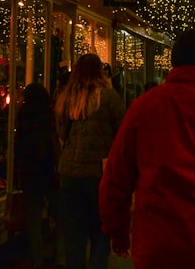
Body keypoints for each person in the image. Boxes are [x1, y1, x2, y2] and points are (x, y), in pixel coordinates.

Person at [99, 29, 195, 269]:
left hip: (154, 244)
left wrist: (118, 231)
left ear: (173, 61)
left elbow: (116, 177)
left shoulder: (143, 106)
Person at [55, 54, 124, 269]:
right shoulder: (109, 97)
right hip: (98, 174)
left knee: (74, 233)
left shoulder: (66, 98)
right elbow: (122, 132)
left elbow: (61, 133)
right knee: (100, 230)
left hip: (69, 173)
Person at [15, 83, 64, 269]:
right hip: (47, 170)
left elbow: (19, 143)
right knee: (60, 212)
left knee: (33, 217)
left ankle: (37, 259)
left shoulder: (23, 114)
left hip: (29, 171)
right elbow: (53, 140)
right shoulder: (48, 114)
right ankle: (59, 254)